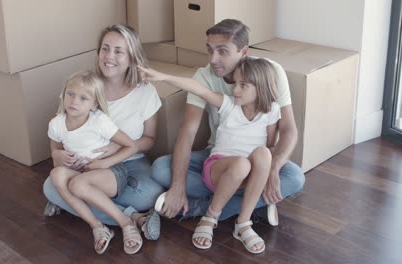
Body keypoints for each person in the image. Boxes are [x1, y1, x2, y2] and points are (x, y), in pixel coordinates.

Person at [151, 19, 305, 231]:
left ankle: (203, 208)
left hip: (256, 162)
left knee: (295, 177)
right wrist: (178, 185)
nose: (213, 59)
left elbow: (287, 130)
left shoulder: (270, 72)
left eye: (222, 51)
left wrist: (273, 169)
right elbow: (187, 132)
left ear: (243, 51)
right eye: (210, 50)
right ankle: (255, 203)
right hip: (220, 157)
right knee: (161, 169)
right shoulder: (205, 78)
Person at [42, 24, 164, 252]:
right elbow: (60, 134)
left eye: (119, 51)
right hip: (84, 165)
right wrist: (57, 154)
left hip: (130, 162)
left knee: (149, 195)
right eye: (105, 49)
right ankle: (132, 218)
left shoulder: (145, 91)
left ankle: (74, 202)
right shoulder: (84, 86)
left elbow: (149, 139)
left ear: (131, 57)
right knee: (50, 186)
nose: (109, 56)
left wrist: (116, 148)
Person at [140, 57, 280, 253]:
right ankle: (210, 216)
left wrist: (271, 174)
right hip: (218, 169)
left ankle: (243, 223)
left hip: (248, 177)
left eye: (243, 85)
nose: (235, 90)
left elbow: (272, 145)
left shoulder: (272, 111)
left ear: (261, 88)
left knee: (265, 154)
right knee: (241, 165)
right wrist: (162, 77)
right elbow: (198, 88)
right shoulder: (229, 105)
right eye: (235, 84)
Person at [48, 70, 143, 254]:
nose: (74, 101)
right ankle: (98, 226)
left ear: (95, 103)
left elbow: (131, 146)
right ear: (63, 94)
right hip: (82, 174)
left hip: (110, 173)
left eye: (83, 98)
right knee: (56, 175)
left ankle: (126, 223)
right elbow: (54, 154)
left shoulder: (99, 121)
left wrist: (104, 164)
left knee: (77, 185)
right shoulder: (56, 124)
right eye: (70, 94)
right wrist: (56, 155)